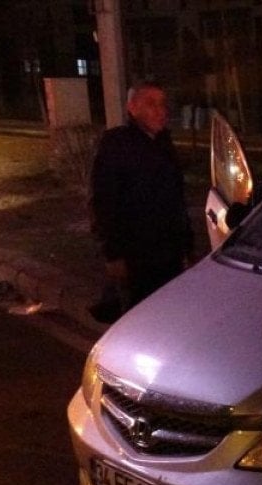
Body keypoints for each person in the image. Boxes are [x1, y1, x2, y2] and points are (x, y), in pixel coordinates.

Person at [89, 81, 195, 321]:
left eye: (162, 104)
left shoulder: (163, 144)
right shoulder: (117, 145)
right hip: (137, 256)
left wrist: (186, 246)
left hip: (169, 252)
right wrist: (112, 254)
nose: (160, 111)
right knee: (140, 317)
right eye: (151, 104)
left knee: (170, 314)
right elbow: (103, 202)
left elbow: (176, 199)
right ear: (132, 108)